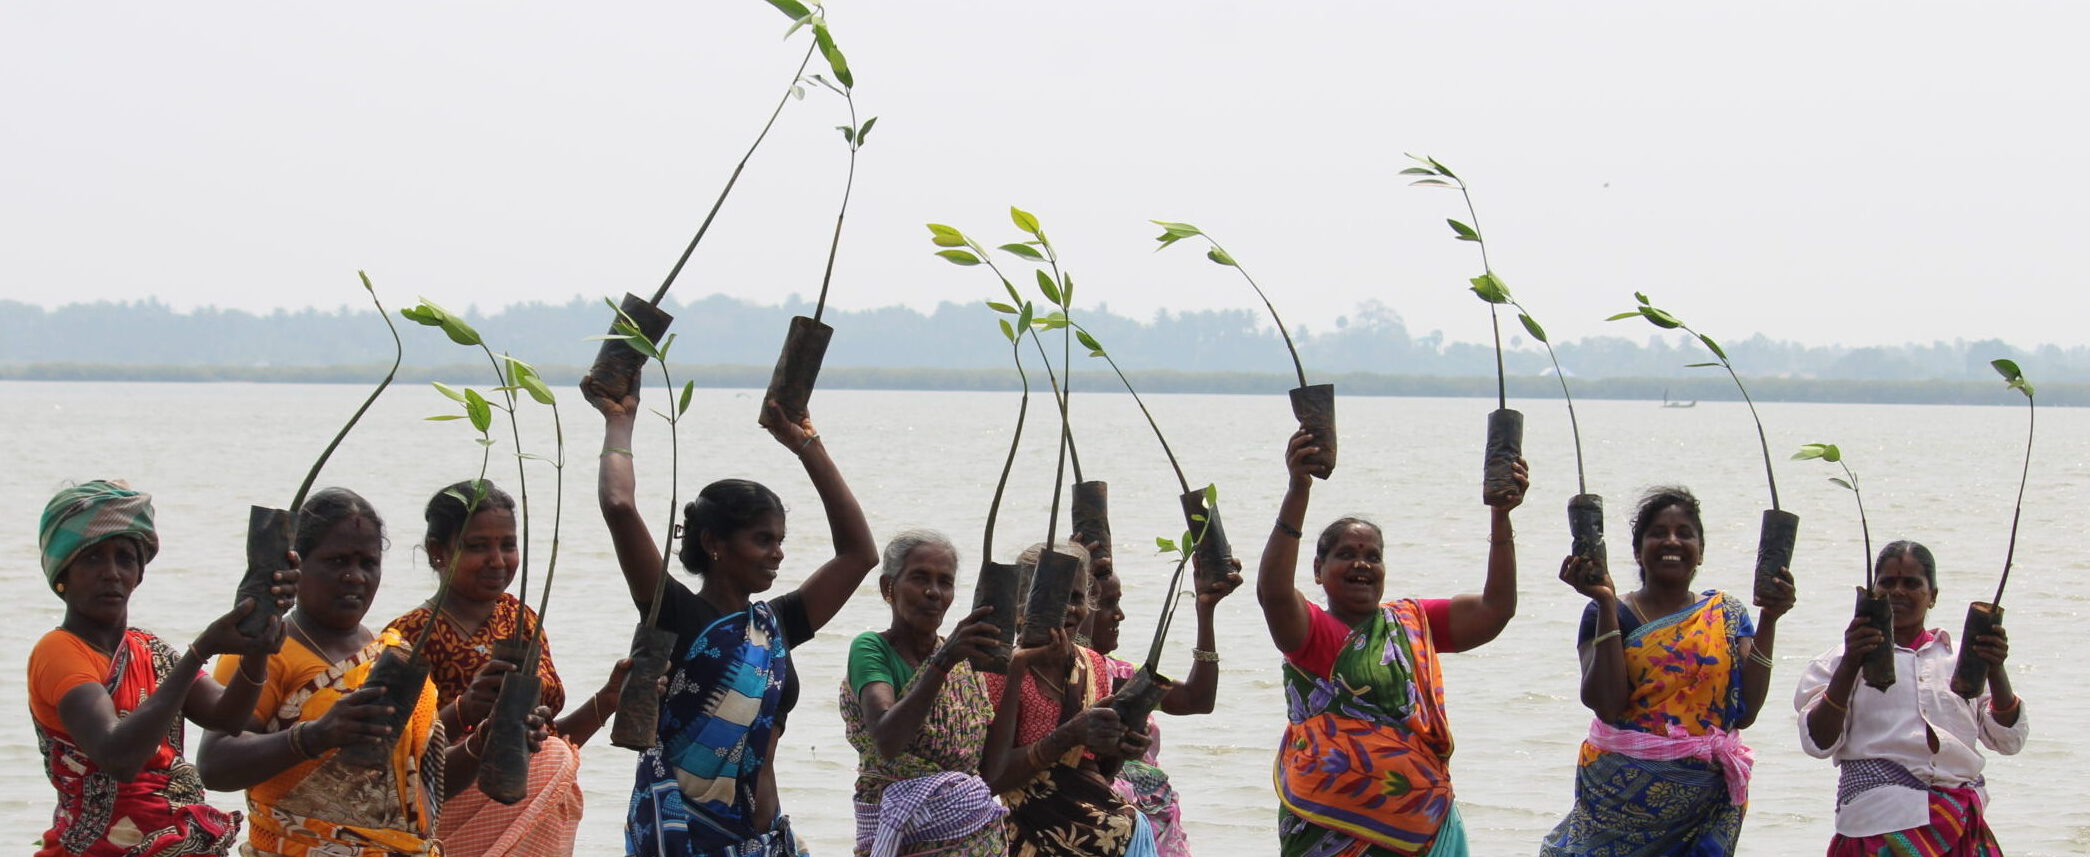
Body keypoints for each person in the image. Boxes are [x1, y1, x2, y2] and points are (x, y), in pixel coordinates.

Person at [588, 385, 879, 857]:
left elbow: (860, 555)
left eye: (781, 539)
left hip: (761, 840)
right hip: (683, 835)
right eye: (763, 539)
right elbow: (620, 507)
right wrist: (619, 420)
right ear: (713, 542)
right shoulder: (678, 613)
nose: (778, 553)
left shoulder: (776, 623)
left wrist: (806, 444)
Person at [197, 488, 553, 857]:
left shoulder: (392, 654)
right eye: (337, 561)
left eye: (368, 563)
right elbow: (215, 764)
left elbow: (422, 789)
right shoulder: (266, 651)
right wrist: (317, 735)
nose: (355, 576)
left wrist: (485, 739)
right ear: (297, 565)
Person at [1256, 429, 1526, 857]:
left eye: (1373, 555)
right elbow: (1272, 592)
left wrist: (1501, 515)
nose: (1362, 563)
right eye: (1346, 554)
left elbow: (1496, 609)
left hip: (1420, 824)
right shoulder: (1312, 635)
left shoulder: (1411, 622)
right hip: (1328, 827)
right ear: (1318, 569)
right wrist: (1298, 489)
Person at [28, 480, 295, 857]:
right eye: (92, 559)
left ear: (139, 573)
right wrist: (200, 651)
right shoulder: (59, 651)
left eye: (125, 558)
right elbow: (119, 756)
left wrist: (258, 640)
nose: (112, 572)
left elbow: (230, 717)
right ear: (62, 575)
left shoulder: (148, 650)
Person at [1539, 486, 1794, 857]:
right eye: (1658, 532)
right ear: (1637, 550)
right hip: (1618, 801)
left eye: (1684, 533)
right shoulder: (1610, 614)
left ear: (1701, 551)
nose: (1671, 541)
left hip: (1700, 807)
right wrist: (1605, 601)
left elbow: (1746, 711)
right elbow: (1606, 704)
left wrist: (1770, 618)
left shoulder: (1726, 614)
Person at [382, 480, 630, 856]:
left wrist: (608, 700)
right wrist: (467, 708)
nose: (497, 561)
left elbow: (546, 749)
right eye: (477, 546)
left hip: (531, 817)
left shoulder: (522, 622)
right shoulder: (410, 635)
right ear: (438, 553)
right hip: (452, 812)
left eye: (508, 545)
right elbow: (393, 756)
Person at [1797, 540, 2026, 856]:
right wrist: (1852, 663)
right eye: (1887, 583)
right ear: (1873, 592)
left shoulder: (1962, 659)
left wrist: (1995, 666)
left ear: (1933, 595)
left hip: (1959, 826)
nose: (1898, 592)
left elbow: (2008, 740)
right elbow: (1818, 743)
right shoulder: (1836, 662)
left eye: (1911, 583)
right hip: (1876, 826)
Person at [840, 530, 1008, 857]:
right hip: (902, 840)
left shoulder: (963, 661)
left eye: (944, 582)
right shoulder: (872, 648)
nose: (933, 592)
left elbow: (988, 771)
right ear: (889, 587)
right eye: (920, 578)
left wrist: (1014, 671)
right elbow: (887, 739)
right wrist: (943, 662)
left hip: (972, 839)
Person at [981, 540, 1154, 857]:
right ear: (1022, 604)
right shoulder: (1000, 671)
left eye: (1076, 598)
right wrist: (1070, 733)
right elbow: (994, 777)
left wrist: (1123, 746)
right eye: (1055, 597)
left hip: (1106, 836)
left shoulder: (1094, 664)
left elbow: (1098, 772)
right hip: (1032, 838)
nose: (1068, 609)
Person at [1072, 533, 1241, 857]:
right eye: (1106, 604)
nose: (1119, 615)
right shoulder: (1063, 676)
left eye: (1118, 602)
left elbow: (1198, 700)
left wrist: (1205, 610)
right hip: (1102, 833)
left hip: (1156, 833)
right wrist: (1078, 576)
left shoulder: (1123, 675)